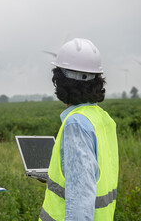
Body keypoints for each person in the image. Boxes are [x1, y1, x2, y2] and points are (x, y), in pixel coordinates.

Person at [39, 38, 119, 221]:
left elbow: (81, 200)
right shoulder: (103, 118)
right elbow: (94, 175)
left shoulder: (76, 124)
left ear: (60, 81)